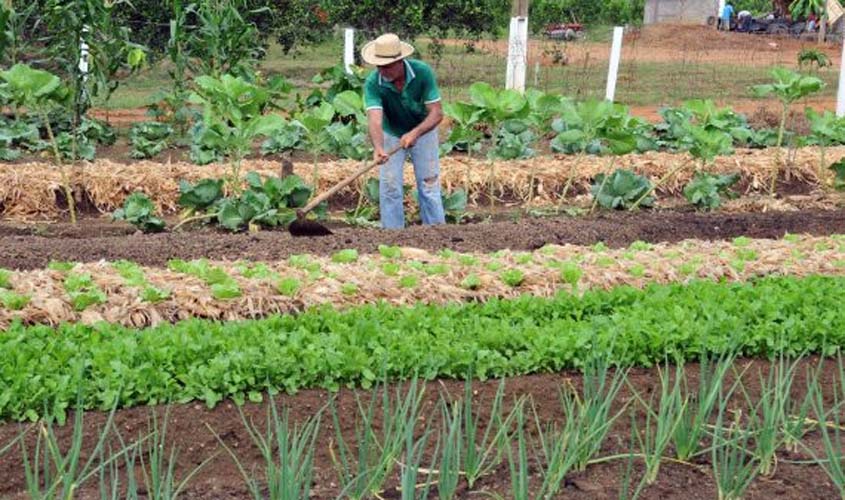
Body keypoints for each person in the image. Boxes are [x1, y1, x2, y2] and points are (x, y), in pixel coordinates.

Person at [361, 33, 446, 230]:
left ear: (400, 61)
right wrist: (379, 147)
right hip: (391, 132)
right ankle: (392, 235)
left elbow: (437, 113)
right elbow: (374, 117)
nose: (382, 71)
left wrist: (415, 133)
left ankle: (436, 232)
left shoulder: (422, 72)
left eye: (387, 66)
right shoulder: (374, 83)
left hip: (424, 129)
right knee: (390, 187)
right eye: (379, 66)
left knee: (428, 184)